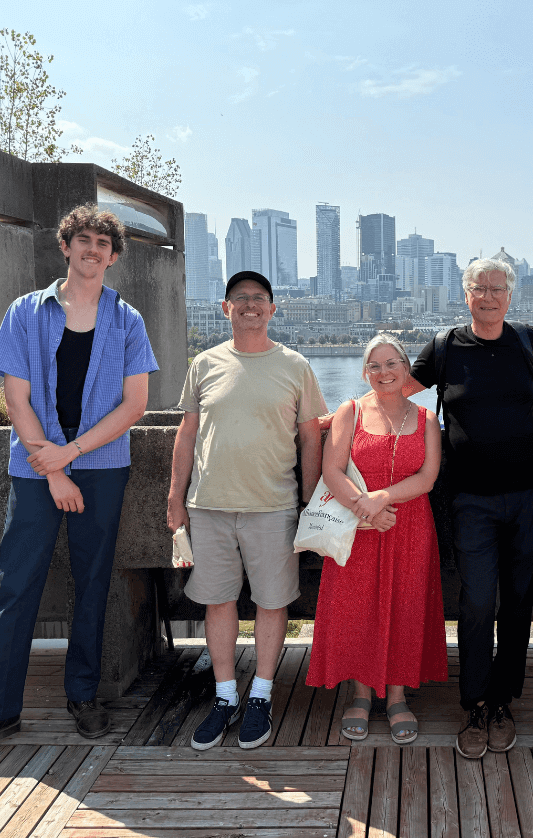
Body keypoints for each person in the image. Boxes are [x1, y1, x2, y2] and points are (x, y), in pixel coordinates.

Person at [0, 205, 158, 767]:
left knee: (93, 581)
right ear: (66, 246)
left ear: (115, 255)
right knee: (17, 586)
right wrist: (53, 469)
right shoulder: (25, 312)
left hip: (102, 466)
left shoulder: (127, 320)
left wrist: (74, 454)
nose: (93, 249)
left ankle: (83, 694)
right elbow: (16, 398)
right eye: (84, 239)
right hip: (35, 469)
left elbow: (135, 404)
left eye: (104, 242)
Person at [403, 258, 533, 759]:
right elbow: (400, 391)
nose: (488, 296)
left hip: (529, 496)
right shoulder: (444, 347)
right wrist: (344, 417)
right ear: (466, 295)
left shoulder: (527, 339)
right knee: (478, 603)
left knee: (519, 601)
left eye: (497, 289)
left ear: (510, 296)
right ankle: (474, 702)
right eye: (479, 288)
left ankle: (504, 700)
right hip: (470, 499)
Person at [167, 271, 327, 751]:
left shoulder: (296, 365)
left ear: (273, 310)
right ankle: (224, 695)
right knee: (218, 601)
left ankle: (260, 694)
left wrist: (310, 499)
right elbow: (187, 433)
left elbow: (311, 437)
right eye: (241, 298)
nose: (250, 305)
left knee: (272, 602)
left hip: (274, 505)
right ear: (225, 308)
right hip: (209, 506)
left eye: (259, 298)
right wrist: (176, 497)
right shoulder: (204, 364)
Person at [306, 334, 447, 744]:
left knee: (405, 607)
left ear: (406, 368)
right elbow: (331, 469)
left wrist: (381, 499)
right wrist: (363, 508)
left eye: (391, 364)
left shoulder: (426, 419)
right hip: (356, 526)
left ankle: (399, 695)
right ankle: (362, 693)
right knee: (356, 608)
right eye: (374, 366)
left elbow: (428, 477)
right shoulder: (350, 411)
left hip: (410, 527)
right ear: (365, 372)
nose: (383, 373)